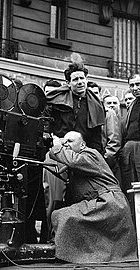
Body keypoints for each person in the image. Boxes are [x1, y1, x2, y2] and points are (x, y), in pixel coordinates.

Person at [43, 53, 105, 239]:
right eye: (75, 79)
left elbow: (96, 136)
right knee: (54, 198)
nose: (80, 82)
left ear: (87, 80)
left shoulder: (95, 104)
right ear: (68, 83)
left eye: (82, 78)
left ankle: (74, 238)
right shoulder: (56, 99)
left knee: (79, 196)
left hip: (81, 154)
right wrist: (51, 138)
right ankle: (50, 238)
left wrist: (94, 157)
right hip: (58, 152)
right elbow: (46, 121)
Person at [50, 131, 137, 263]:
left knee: (62, 216)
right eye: (64, 142)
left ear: (83, 144)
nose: (66, 145)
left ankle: (77, 255)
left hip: (110, 203)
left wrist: (57, 146)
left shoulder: (91, 154)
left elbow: (73, 160)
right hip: (103, 203)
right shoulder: (78, 159)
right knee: (61, 214)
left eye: (70, 141)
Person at [120, 73, 140, 222]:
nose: (135, 88)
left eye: (138, 84)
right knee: (130, 187)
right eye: (132, 85)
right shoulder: (133, 104)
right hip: (129, 149)